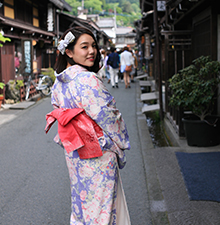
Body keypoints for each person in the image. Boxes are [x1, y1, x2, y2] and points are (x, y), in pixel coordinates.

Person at [45, 26, 131, 224]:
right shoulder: (88, 79)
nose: (92, 51)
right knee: (102, 207)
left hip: (75, 151)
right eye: (84, 47)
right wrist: (121, 142)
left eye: (93, 46)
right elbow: (109, 117)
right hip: (99, 152)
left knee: (82, 202)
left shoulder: (59, 82)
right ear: (69, 51)